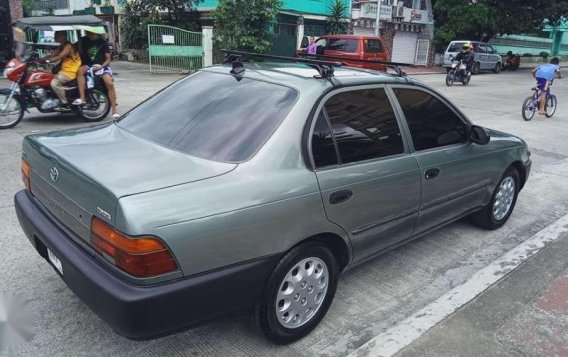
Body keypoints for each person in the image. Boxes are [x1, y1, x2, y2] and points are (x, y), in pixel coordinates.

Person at [74, 31, 119, 119]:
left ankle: (114, 110)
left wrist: (101, 66)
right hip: (88, 65)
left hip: (101, 66)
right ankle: (82, 98)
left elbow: (108, 59)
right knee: (80, 71)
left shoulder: (103, 42)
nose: (87, 32)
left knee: (109, 83)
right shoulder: (82, 41)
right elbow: (71, 48)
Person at [42, 31, 81, 106]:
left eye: (56, 35)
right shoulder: (61, 46)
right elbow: (53, 55)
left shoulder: (68, 46)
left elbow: (60, 56)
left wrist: (47, 61)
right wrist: (41, 59)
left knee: (54, 83)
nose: (54, 37)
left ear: (63, 36)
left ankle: (64, 102)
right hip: (64, 70)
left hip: (70, 71)